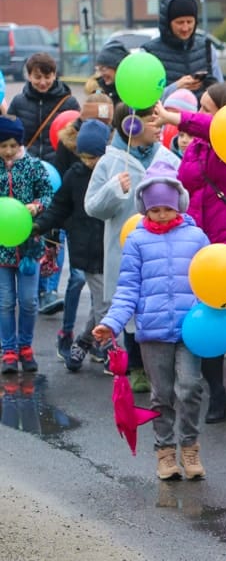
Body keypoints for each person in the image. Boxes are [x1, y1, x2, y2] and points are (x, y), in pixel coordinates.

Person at [92, 167, 209, 480]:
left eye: (167, 208)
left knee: (190, 387)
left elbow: (211, 279)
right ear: (145, 208)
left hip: (190, 329)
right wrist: (111, 324)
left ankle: (189, 445)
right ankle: (165, 451)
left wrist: (225, 304)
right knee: (161, 394)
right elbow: (127, 289)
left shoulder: (196, 236)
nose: (161, 215)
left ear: (178, 206)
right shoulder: (137, 241)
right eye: (154, 209)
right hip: (153, 331)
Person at [154, 82, 226, 423]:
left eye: (208, 107)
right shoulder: (196, 145)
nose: (202, 113)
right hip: (198, 241)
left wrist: (177, 117)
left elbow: (217, 127)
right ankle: (217, 392)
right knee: (207, 317)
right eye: (200, 106)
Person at [84, 103, 181, 393]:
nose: (159, 123)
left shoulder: (167, 158)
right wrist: (114, 190)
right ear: (131, 126)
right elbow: (92, 207)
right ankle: (136, 366)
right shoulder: (110, 162)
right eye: (152, 118)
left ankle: (164, 366)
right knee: (130, 308)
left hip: (163, 248)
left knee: (159, 303)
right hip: (124, 250)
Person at [34, 120, 112, 372]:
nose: (89, 162)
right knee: (104, 303)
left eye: (94, 157)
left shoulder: (113, 173)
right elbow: (59, 207)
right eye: (85, 156)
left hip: (110, 247)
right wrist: (38, 227)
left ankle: (83, 341)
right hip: (85, 249)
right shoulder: (74, 175)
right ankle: (112, 351)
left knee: (103, 302)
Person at [8, 52, 81, 315]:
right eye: (37, 77)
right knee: (27, 229)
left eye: (47, 76)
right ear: (29, 75)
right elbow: (12, 135)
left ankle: (49, 291)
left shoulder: (68, 102)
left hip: (57, 176)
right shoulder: (19, 101)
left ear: (55, 75)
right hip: (25, 174)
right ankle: (30, 286)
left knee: (54, 233)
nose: (43, 82)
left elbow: (74, 139)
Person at [0, 116, 52, 374]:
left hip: (30, 244)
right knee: (6, 301)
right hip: (1, 249)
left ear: (19, 143)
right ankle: (8, 350)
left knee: (29, 301)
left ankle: (25, 346)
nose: (8, 151)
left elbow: (48, 192)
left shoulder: (33, 166)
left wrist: (37, 206)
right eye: (3, 146)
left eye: (12, 145)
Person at [142, 0, 223, 100]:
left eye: (189, 22)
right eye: (180, 22)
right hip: (165, 116)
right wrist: (175, 88)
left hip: (201, 116)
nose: (185, 28)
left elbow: (222, 92)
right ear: (167, 23)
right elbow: (145, 100)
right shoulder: (148, 53)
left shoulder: (207, 48)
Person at [85, 40, 129, 105]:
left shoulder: (130, 90)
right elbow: (100, 114)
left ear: (117, 67)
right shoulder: (99, 89)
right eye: (98, 69)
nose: (101, 74)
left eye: (103, 69)